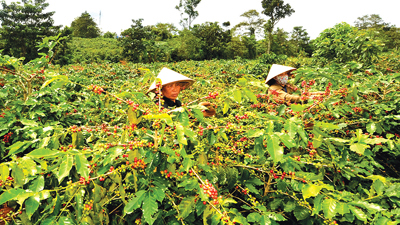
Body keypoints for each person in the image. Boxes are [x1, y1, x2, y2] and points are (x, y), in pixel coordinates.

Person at [148, 67, 215, 117]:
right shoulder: (159, 105)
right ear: (160, 89)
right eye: (170, 86)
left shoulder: (177, 103)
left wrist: (199, 112)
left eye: (177, 85)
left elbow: (183, 119)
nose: (174, 89)